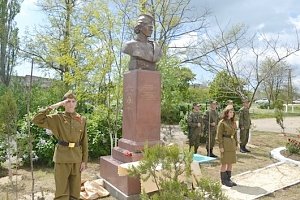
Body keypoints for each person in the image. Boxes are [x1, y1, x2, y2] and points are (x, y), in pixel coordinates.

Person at [32, 91, 88, 200]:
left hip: (76, 158)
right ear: (63, 104)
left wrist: (84, 161)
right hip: (62, 158)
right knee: (61, 192)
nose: (71, 104)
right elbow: (36, 119)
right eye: (68, 102)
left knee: (75, 192)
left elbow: (84, 141)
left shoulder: (82, 119)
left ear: (76, 103)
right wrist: (54, 106)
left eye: (73, 101)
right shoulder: (57, 118)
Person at [217, 105, 238, 187]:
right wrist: (221, 146)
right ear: (226, 113)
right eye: (230, 112)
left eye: (233, 112)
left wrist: (236, 143)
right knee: (224, 162)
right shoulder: (222, 122)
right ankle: (224, 180)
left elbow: (235, 134)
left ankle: (228, 178)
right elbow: (219, 136)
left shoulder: (233, 122)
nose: (232, 113)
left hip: (231, 143)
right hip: (225, 143)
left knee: (230, 162)